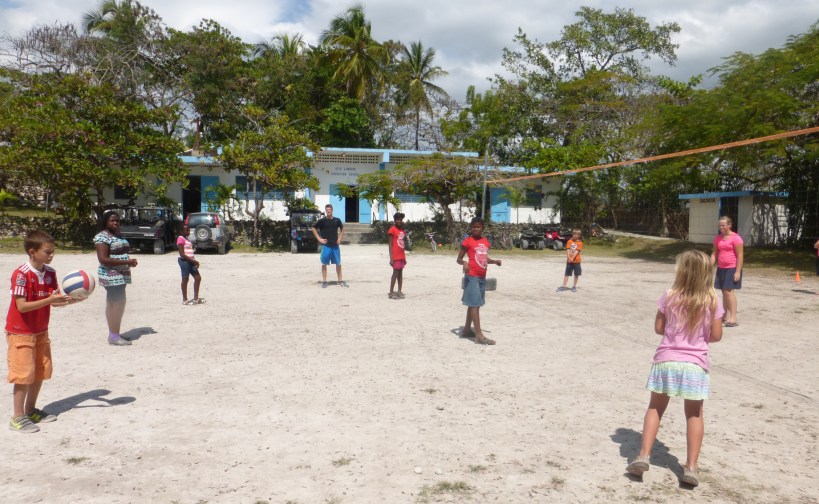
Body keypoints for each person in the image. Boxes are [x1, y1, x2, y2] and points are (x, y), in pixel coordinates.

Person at [626, 249, 724, 487]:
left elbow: (659, 328)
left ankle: (643, 456)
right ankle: (691, 467)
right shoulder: (712, 299)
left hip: (666, 360)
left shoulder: (669, 295)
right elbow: (717, 335)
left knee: (655, 408)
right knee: (694, 414)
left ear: (681, 271)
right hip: (694, 364)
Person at [6, 230, 75, 433]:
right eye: (47, 252)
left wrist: (72, 300)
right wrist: (49, 300)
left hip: (41, 330)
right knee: (23, 374)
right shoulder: (21, 274)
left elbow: (54, 302)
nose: (52, 255)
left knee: (40, 372)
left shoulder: (50, 273)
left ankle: (30, 410)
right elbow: (22, 306)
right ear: (32, 252)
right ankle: (17, 417)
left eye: (53, 251)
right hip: (21, 332)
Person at [94, 210, 138, 346]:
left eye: (117, 221)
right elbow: (103, 259)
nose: (115, 223)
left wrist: (127, 262)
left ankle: (114, 333)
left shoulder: (117, 234)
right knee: (117, 303)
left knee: (115, 303)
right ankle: (113, 336)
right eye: (112, 220)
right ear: (105, 221)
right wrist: (127, 262)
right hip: (111, 275)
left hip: (120, 275)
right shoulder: (102, 237)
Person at [456, 217, 502, 345]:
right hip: (472, 276)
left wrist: (494, 261)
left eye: (478, 227)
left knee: (474, 304)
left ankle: (466, 330)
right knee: (475, 304)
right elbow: (458, 259)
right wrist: (464, 263)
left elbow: (483, 257)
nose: (475, 229)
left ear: (482, 228)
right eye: (473, 227)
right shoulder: (467, 241)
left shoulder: (485, 241)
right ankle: (479, 335)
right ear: (471, 228)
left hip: (482, 277)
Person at [710, 216, 743, 327]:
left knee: (728, 292)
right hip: (721, 268)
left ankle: (733, 318)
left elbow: (740, 255)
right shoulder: (718, 238)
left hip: (732, 268)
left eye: (723, 225)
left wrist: (737, 271)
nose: (721, 227)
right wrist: (708, 265)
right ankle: (724, 315)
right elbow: (714, 253)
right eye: (719, 226)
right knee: (724, 292)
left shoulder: (736, 238)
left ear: (729, 225)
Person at [311, 204, 347, 288]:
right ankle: (324, 281)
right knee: (324, 263)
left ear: (332, 210)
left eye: (329, 209)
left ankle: (340, 281)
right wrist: (319, 239)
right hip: (326, 246)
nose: (328, 211)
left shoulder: (337, 220)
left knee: (338, 263)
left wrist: (340, 238)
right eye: (326, 209)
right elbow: (313, 228)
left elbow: (342, 228)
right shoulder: (322, 221)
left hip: (335, 246)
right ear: (325, 211)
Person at [177, 224, 203, 305]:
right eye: (186, 230)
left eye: (189, 230)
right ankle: (185, 299)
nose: (188, 232)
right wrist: (194, 261)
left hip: (191, 261)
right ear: (181, 231)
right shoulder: (180, 239)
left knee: (197, 278)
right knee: (185, 279)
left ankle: (196, 299)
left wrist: (193, 261)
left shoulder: (187, 239)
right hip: (184, 261)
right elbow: (182, 254)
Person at [387, 212, 407, 299]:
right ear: (395, 220)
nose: (399, 221)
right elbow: (390, 244)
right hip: (395, 256)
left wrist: (404, 257)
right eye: (398, 219)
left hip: (401, 255)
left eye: (400, 220)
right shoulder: (392, 229)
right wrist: (391, 258)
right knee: (395, 274)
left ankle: (399, 291)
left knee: (400, 274)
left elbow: (402, 244)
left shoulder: (402, 230)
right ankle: (391, 292)